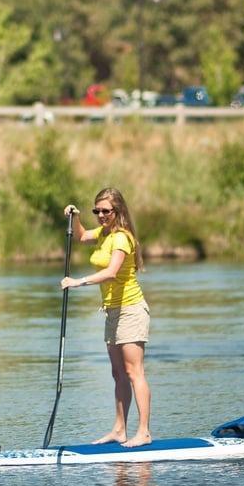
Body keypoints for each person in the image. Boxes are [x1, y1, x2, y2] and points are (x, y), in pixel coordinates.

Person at [60, 187, 152, 447]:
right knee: (117, 373)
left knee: (135, 372)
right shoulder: (103, 233)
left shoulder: (121, 238)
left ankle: (143, 432)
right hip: (112, 311)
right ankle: (119, 430)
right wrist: (74, 216)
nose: (101, 215)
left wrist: (78, 282)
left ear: (118, 211)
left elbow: (112, 272)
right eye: (96, 211)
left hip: (131, 309)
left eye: (106, 211)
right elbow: (80, 236)